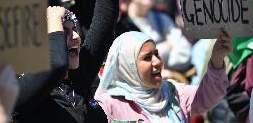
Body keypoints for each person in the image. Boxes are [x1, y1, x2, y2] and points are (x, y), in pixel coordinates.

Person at [12, 0, 120, 122]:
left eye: (75, 29)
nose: (77, 37)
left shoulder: (79, 77)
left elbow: (105, 18)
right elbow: (55, 65)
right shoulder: (21, 91)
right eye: (65, 32)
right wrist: (53, 17)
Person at [95, 30, 231, 122]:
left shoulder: (174, 92)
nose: (157, 61)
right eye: (147, 57)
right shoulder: (108, 105)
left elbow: (208, 95)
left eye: (157, 54)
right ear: (128, 67)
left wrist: (217, 59)